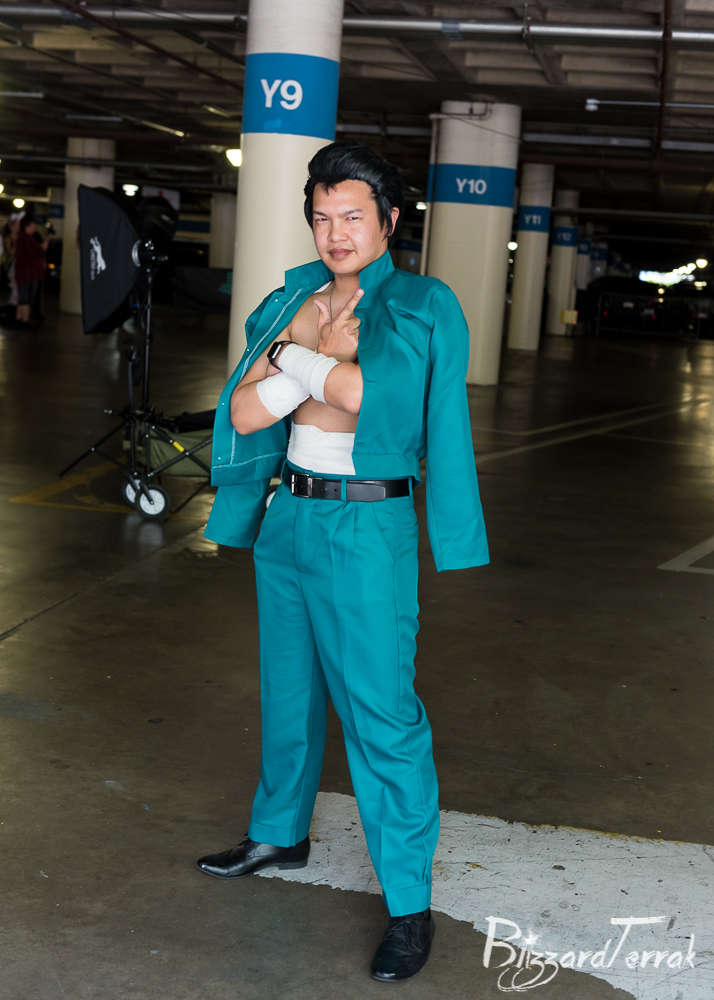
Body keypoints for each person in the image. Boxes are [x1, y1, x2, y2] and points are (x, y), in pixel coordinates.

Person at [197, 141, 488, 983]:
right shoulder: (293, 298)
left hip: (366, 526)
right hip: (289, 517)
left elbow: (374, 402)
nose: (336, 233)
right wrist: (313, 359)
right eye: (323, 217)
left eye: (353, 216)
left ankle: (408, 904)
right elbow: (243, 415)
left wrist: (298, 360)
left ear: (389, 220)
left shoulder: (421, 304)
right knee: (287, 690)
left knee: (381, 714)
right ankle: (277, 833)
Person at [15, 216, 50, 327]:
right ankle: (25, 321)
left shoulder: (22, 238)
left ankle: (19, 319)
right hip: (29, 273)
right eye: (33, 224)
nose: (35, 226)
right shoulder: (27, 238)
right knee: (27, 298)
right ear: (28, 226)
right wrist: (47, 240)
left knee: (22, 298)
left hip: (23, 273)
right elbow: (40, 251)